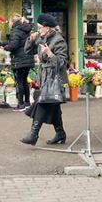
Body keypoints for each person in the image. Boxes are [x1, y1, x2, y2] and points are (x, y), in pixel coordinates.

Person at [20, 14, 69, 145]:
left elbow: (62, 62)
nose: (38, 29)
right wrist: (31, 40)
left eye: (40, 27)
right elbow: (27, 51)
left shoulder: (58, 40)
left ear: (48, 28)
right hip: (45, 78)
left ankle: (33, 134)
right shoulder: (42, 39)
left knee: (42, 103)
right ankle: (60, 133)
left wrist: (50, 54)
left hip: (55, 79)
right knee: (53, 106)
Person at [0, 14, 35, 111]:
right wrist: (2, 43)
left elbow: (13, 45)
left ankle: (20, 104)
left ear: (12, 22)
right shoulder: (25, 29)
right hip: (27, 58)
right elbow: (16, 42)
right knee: (24, 81)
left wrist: (5, 47)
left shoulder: (16, 31)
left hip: (19, 59)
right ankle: (27, 102)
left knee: (19, 81)